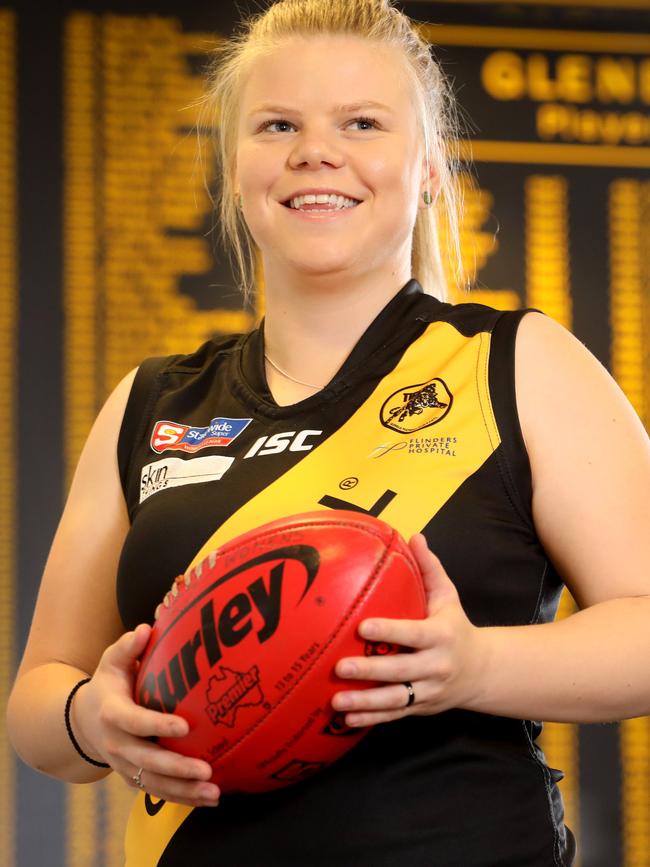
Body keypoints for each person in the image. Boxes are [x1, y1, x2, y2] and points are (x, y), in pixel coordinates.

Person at [7, 0, 650, 864]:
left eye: (361, 122)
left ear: (426, 166)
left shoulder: (519, 365)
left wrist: (474, 666)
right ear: (237, 170)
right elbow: (38, 702)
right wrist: (91, 717)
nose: (316, 149)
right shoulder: (150, 402)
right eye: (278, 124)